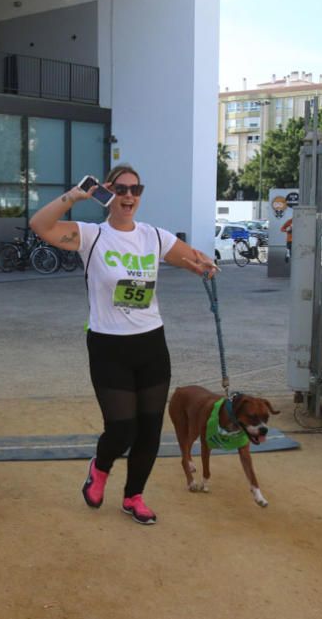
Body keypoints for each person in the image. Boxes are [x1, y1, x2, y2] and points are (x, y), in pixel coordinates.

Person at [29, 164, 217, 525]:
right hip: (108, 345)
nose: (129, 196)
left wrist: (203, 264)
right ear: (109, 193)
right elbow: (40, 225)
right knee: (122, 429)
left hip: (150, 343)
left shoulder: (153, 236)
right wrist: (75, 195)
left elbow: (190, 257)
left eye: (135, 189)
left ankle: (134, 497)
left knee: (149, 430)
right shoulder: (90, 236)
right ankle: (99, 469)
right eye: (121, 189)